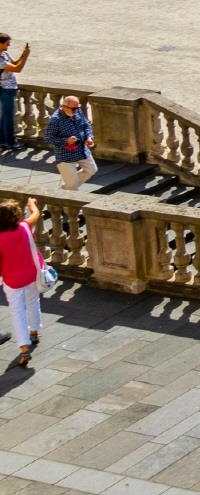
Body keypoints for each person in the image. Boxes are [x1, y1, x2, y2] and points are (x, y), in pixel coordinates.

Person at [0, 200, 44, 369]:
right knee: (33, 302)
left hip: (12, 280)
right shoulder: (25, 227)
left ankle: (24, 348)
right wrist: (31, 204)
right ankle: (34, 331)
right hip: (31, 274)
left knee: (17, 312)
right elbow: (36, 214)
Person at [44, 96, 95, 190]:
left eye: (78, 107)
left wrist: (89, 137)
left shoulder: (77, 111)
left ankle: (66, 188)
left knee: (91, 170)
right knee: (72, 184)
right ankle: (69, 189)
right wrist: (66, 141)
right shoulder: (55, 119)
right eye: (73, 109)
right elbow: (48, 138)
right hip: (65, 155)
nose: (76, 111)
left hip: (82, 150)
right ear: (64, 107)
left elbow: (86, 125)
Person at [0, 34, 27, 152]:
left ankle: (2, 141)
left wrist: (23, 54)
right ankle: (10, 142)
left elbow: (14, 63)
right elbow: (18, 69)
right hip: (5, 89)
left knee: (4, 116)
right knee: (8, 117)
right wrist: (26, 56)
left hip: (7, 88)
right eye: (7, 43)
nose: (9, 45)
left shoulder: (4, 54)